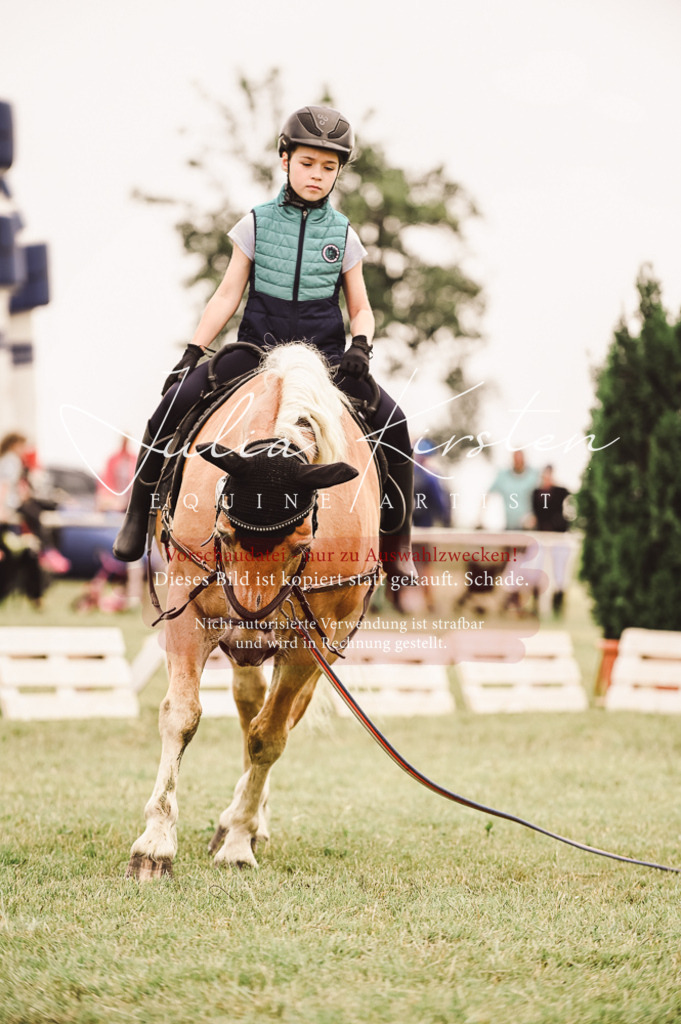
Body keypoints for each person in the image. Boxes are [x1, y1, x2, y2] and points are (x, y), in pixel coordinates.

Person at [113, 105, 418, 596]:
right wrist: (194, 351)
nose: (317, 175)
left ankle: (396, 546)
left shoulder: (344, 236)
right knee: (172, 403)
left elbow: (361, 307)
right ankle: (135, 516)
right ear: (284, 159)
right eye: (307, 163)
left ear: (339, 172)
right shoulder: (254, 223)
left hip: (325, 357)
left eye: (328, 167)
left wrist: (361, 345)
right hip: (257, 346)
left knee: (396, 421)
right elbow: (227, 293)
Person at [488, 451, 539, 530]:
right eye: (516, 459)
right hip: (509, 527)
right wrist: (480, 519)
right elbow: (488, 494)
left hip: (529, 528)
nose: (518, 462)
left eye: (520, 460)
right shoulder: (503, 476)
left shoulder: (535, 475)